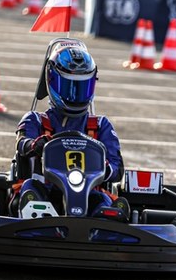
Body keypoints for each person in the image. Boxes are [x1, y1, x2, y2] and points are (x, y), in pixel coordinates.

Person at [12, 43, 123, 217]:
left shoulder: (101, 125)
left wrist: (104, 167)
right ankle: (34, 220)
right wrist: (35, 145)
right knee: (30, 188)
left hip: (87, 193)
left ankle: (104, 224)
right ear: (52, 81)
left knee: (102, 200)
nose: (75, 96)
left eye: (81, 88)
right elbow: (22, 143)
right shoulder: (36, 119)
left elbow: (117, 168)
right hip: (46, 191)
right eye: (69, 87)